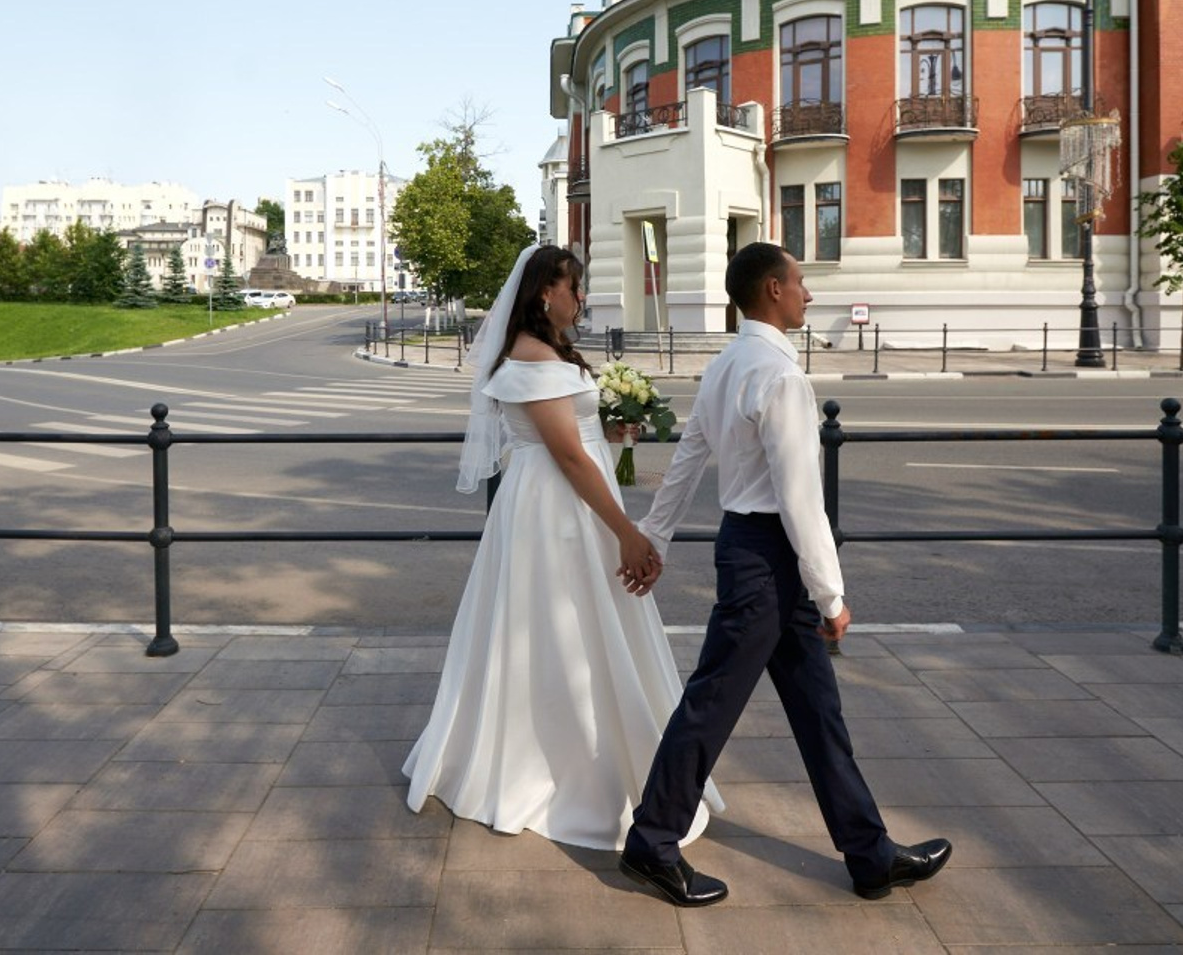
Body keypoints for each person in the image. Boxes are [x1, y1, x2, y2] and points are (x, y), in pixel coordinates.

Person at [617, 242, 951, 906]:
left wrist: (655, 536)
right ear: (772, 289)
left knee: (818, 711)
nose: (809, 293)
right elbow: (801, 499)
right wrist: (831, 595)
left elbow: (687, 460)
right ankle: (652, 843)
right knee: (711, 703)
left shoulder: (724, 366)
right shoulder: (780, 377)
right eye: (800, 282)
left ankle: (870, 856)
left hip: (752, 551)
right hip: (770, 561)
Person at [403, 243, 722, 850]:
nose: (582, 297)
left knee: (574, 626)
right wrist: (627, 532)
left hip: (562, 500)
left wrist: (609, 428)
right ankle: (562, 767)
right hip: (558, 509)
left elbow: (573, 434)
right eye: (575, 286)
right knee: (564, 626)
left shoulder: (545, 351)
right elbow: (569, 458)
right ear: (546, 292)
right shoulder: (531, 357)